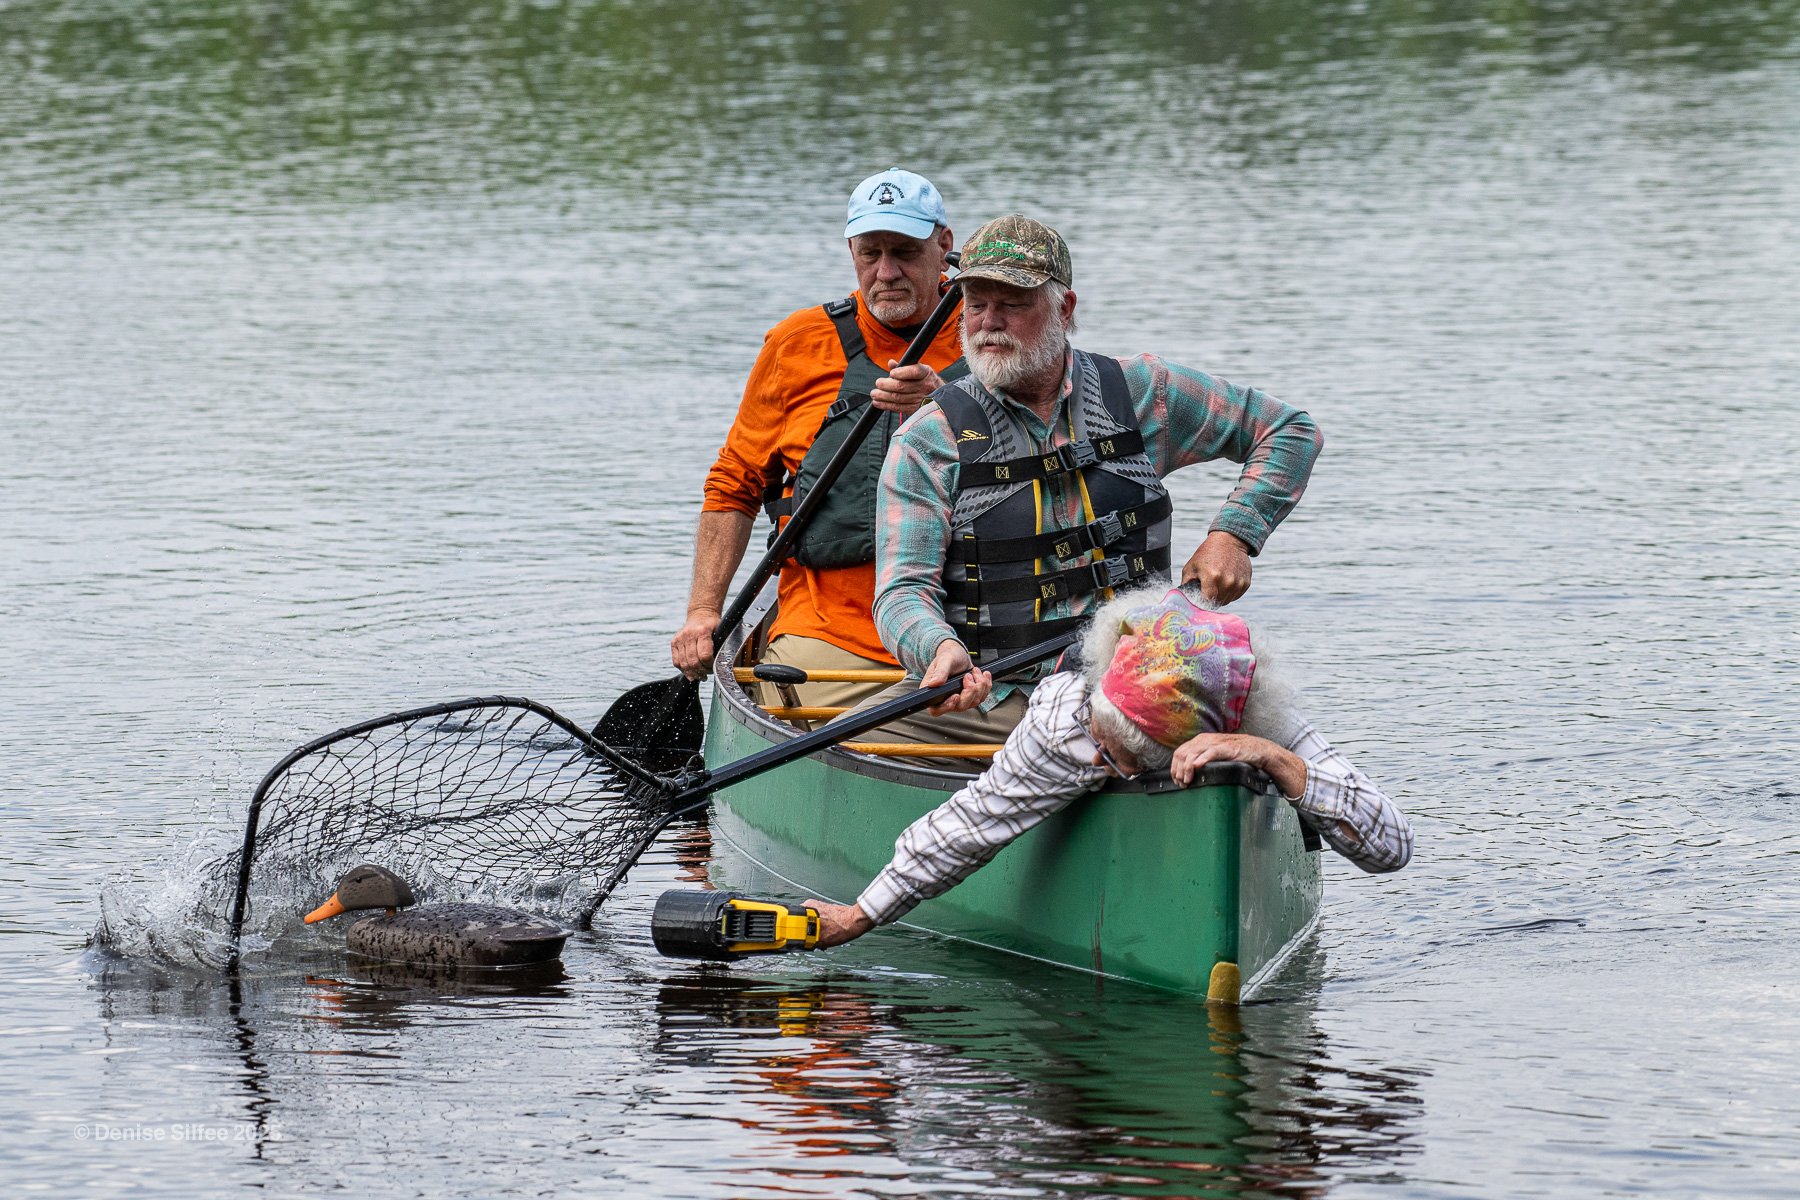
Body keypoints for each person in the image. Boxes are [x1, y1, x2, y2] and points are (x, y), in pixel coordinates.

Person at [855, 213, 1325, 752]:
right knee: (844, 745)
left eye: (1012, 304)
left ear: (1064, 309)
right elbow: (901, 593)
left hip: (1144, 683)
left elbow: (1289, 431)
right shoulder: (927, 441)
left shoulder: (1144, 393)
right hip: (995, 698)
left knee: (1266, 743)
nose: (989, 322)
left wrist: (1234, 534)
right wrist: (936, 648)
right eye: (976, 304)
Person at [807, 586, 1413, 947]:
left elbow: (1391, 847)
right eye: (1101, 746)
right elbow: (971, 823)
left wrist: (1277, 762)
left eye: (1117, 760)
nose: (1101, 760)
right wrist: (861, 915)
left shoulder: (1263, 719)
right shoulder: (1067, 720)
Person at [672, 168, 967, 714]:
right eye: (869, 252)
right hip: (828, 638)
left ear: (943, 245)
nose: (886, 272)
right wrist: (703, 612)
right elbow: (734, 486)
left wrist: (950, 401)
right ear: (851, 249)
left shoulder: (997, 333)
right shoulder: (795, 344)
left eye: (904, 251)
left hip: (972, 632)